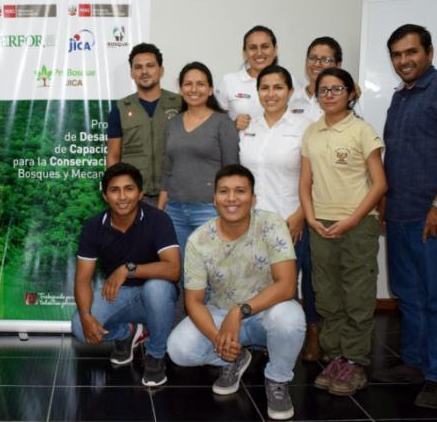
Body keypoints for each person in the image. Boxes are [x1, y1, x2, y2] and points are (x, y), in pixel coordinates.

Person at [375, 24, 437, 409]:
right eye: (397, 54)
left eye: (411, 52)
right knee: (408, 294)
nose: (404, 60)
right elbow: (397, 154)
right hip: (399, 213)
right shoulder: (399, 97)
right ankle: (415, 362)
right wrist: (385, 202)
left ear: (429, 52)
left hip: (433, 214)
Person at [167, 164, 304, 421]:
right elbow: (193, 302)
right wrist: (218, 339)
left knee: (290, 318)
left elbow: (286, 285)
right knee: (179, 349)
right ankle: (235, 357)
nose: (232, 198)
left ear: (253, 199)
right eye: (224, 191)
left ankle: (277, 380)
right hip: (221, 314)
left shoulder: (272, 224)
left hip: (267, 313)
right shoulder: (198, 240)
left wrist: (239, 311)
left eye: (240, 191)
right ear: (214, 199)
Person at [299, 67, 387, 396]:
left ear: (350, 93)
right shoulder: (312, 133)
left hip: (357, 224)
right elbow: (305, 183)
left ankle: (354, 360)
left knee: (357, 294)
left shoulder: (362, 130)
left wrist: (352, 220)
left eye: (337, 89)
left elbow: (380, 184)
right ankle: (336, 357)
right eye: (323, 89)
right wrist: (310, 218)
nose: (329, 95)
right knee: (327, 294)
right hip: (320, 223)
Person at [71, 162, 180, 387]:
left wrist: (128, 269)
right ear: (105, 196)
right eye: (114, 190)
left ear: (140, 194)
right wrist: (85, 314)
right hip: (119, 295)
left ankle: (156, 355)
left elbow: (173, 269)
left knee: (157, 287)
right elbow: (82, 279)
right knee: (80, 328)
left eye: (129, 189)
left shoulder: (158, 220)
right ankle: (126, 333)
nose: (122, 197)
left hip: (156, 296)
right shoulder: (93, 226)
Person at [239, 65, 320, 361]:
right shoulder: (249, 126)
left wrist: (300, 214)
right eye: (264, 88)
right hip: (254, 224)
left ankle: (310, 335)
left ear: (290, 91)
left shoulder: (306, 126)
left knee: (297, 285)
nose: (270, 94)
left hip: (291, 221)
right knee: (261, 285)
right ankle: (266, 337)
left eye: (277, 87)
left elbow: (316, 175)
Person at [158, 61, 237, 275]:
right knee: (184, 272)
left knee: (212, 272)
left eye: (200, 84)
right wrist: (162, 206)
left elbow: (232, 170)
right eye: (188, 84)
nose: (194, 89)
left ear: (210, 90)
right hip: (174, 210)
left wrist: (225, 204)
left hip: (209, 209)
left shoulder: (223, 122)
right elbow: (168, 168)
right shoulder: (173, 123)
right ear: (181, 89)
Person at [106, 43, 181, 203]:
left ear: (161, 70)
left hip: (174, 194)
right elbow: (113, 156)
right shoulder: (120, 109)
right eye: (138, 67)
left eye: (150, 66)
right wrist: (117, 190)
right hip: (136, 196)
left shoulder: (180, 104)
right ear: (132, 73)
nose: (144, 71)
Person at [216, 25, 278, 131]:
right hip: (239, 142)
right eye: (253, 48)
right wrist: (233, 125)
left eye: (265, 47)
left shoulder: (289, 81)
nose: (259, 53)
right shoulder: (229, 81)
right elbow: (215, 124)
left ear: (275, 50)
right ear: (244, 53)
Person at [288, 37, 343, 121]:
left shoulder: (344, 99)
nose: (317, 64)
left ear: (338, 65)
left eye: (325, 60)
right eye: (312, 58)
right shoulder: (291, 98)